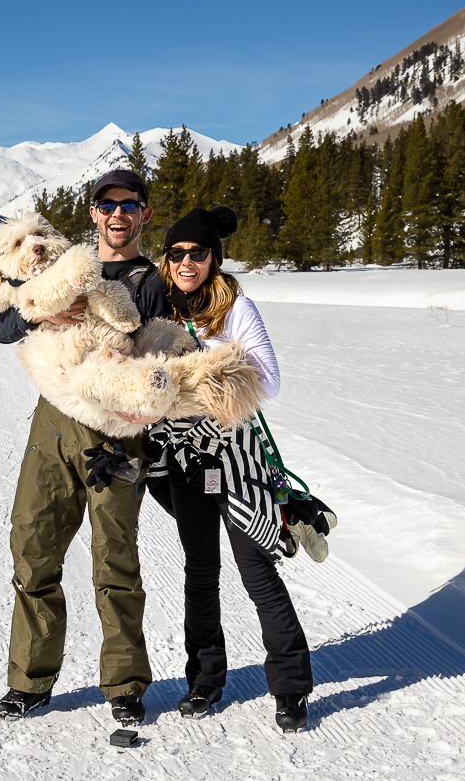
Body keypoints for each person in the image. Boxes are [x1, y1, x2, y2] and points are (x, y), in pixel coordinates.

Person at [0, 170, 168, 726]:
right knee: (33, 547)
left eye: (129, 206)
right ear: (93, 214)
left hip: (118, 430)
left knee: (115, 559)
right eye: (108, 205)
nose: (118, 215)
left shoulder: (149, 280)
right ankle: (30, 681)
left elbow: (157, 356)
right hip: (53, 423)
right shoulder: (58, 264)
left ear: (142, 214)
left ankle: (124, 686)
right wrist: (39, 310)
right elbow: (1, 328)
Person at [146, 206, 313, 731]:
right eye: (177, 254)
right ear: (166, 260)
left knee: (256, 568)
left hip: (235, 460)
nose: (187, 262)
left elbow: (269, 378)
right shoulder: (157, 308)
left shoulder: (236, 307)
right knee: (201, 570)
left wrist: (195, 375)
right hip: (183, 460)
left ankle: (290, 685)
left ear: (214, 259)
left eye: (198, 253)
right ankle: (205, 680)